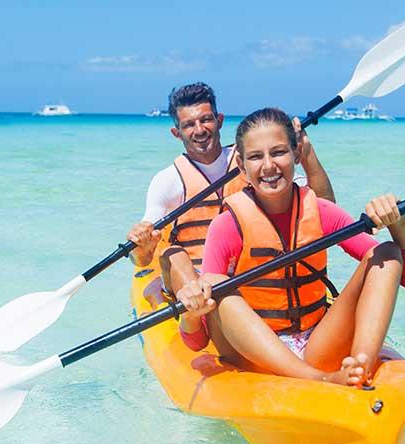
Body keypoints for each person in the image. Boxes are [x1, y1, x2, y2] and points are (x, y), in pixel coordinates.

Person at [175, 107, 405, 387]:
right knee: (218, 287)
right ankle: (322, 380)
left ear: (296, 154)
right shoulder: (227, 225)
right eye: (256, 157)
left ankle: (359, 367)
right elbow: (197, 342)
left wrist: (399, 224)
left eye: (279, 152)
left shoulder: (321, 211)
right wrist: (191, 313)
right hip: (258, 355)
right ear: (243, 168)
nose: (268, 166)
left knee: (388, 252)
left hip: (316, 343)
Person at [126, 82, 335, 299]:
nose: (199, 130)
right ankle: (199, 314)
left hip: (250, 274)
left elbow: (324, 211)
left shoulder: (253, 161)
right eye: (189, 124)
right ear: (176, 133)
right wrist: (141, 247)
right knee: (173, 254)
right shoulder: (168, 180)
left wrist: (305, 149)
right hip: (194, 285)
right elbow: (141, 259)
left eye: (206, 119)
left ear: (220, 121)